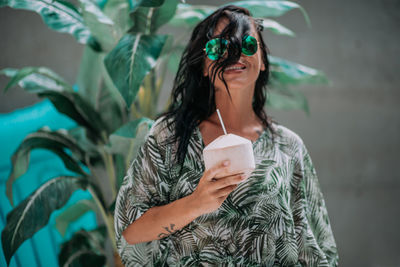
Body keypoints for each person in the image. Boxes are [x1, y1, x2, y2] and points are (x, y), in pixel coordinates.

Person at [114, 5, 339, 266]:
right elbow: (131, 231)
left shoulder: (288, 147)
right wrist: (196, 203)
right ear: (206, 67)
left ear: (263, 60)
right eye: (218, 48)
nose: (234, 55)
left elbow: (317, 248)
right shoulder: (170, 136)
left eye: (247, 45)